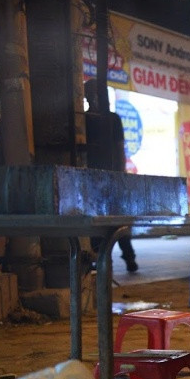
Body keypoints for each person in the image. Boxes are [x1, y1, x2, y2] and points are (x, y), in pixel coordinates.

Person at [84, 80, 137, 272]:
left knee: (117, 222)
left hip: (111, 178)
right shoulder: (85, 119)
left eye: (95, 94)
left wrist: (120, 176)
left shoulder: (113, 119)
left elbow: (119, 149)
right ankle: (104, 260)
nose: (93, 97)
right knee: (99, 222)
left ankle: (128, 257)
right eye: (90, 94)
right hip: (92, 180)